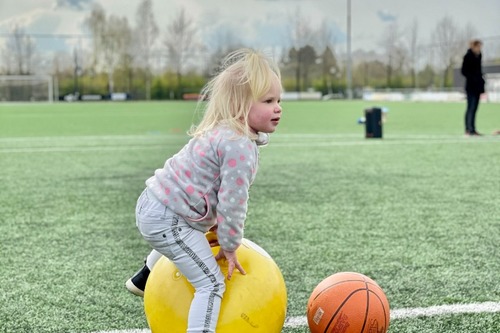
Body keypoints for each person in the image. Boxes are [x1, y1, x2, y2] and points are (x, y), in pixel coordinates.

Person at [126, 48, 283, 333]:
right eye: (268, 101)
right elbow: (232, 202)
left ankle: (143, 277)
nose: (278, 107)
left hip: (154, 203)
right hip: (168, 219)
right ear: (241, 105)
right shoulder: (240, 146)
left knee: (194, 231)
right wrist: (230, 244)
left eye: (278, 100)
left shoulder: (223, 130)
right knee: (210, 283)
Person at [461, 39, 485, 136]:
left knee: (475, 108)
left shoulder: (479, 56)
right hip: (471, 87)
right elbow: (463, 71)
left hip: (478, 87)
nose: (480, 48)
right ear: (474, 46)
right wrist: (473, 78)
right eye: (478, 46)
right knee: (470, 108)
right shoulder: (468, 56)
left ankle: (473, 129)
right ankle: (468, 129)